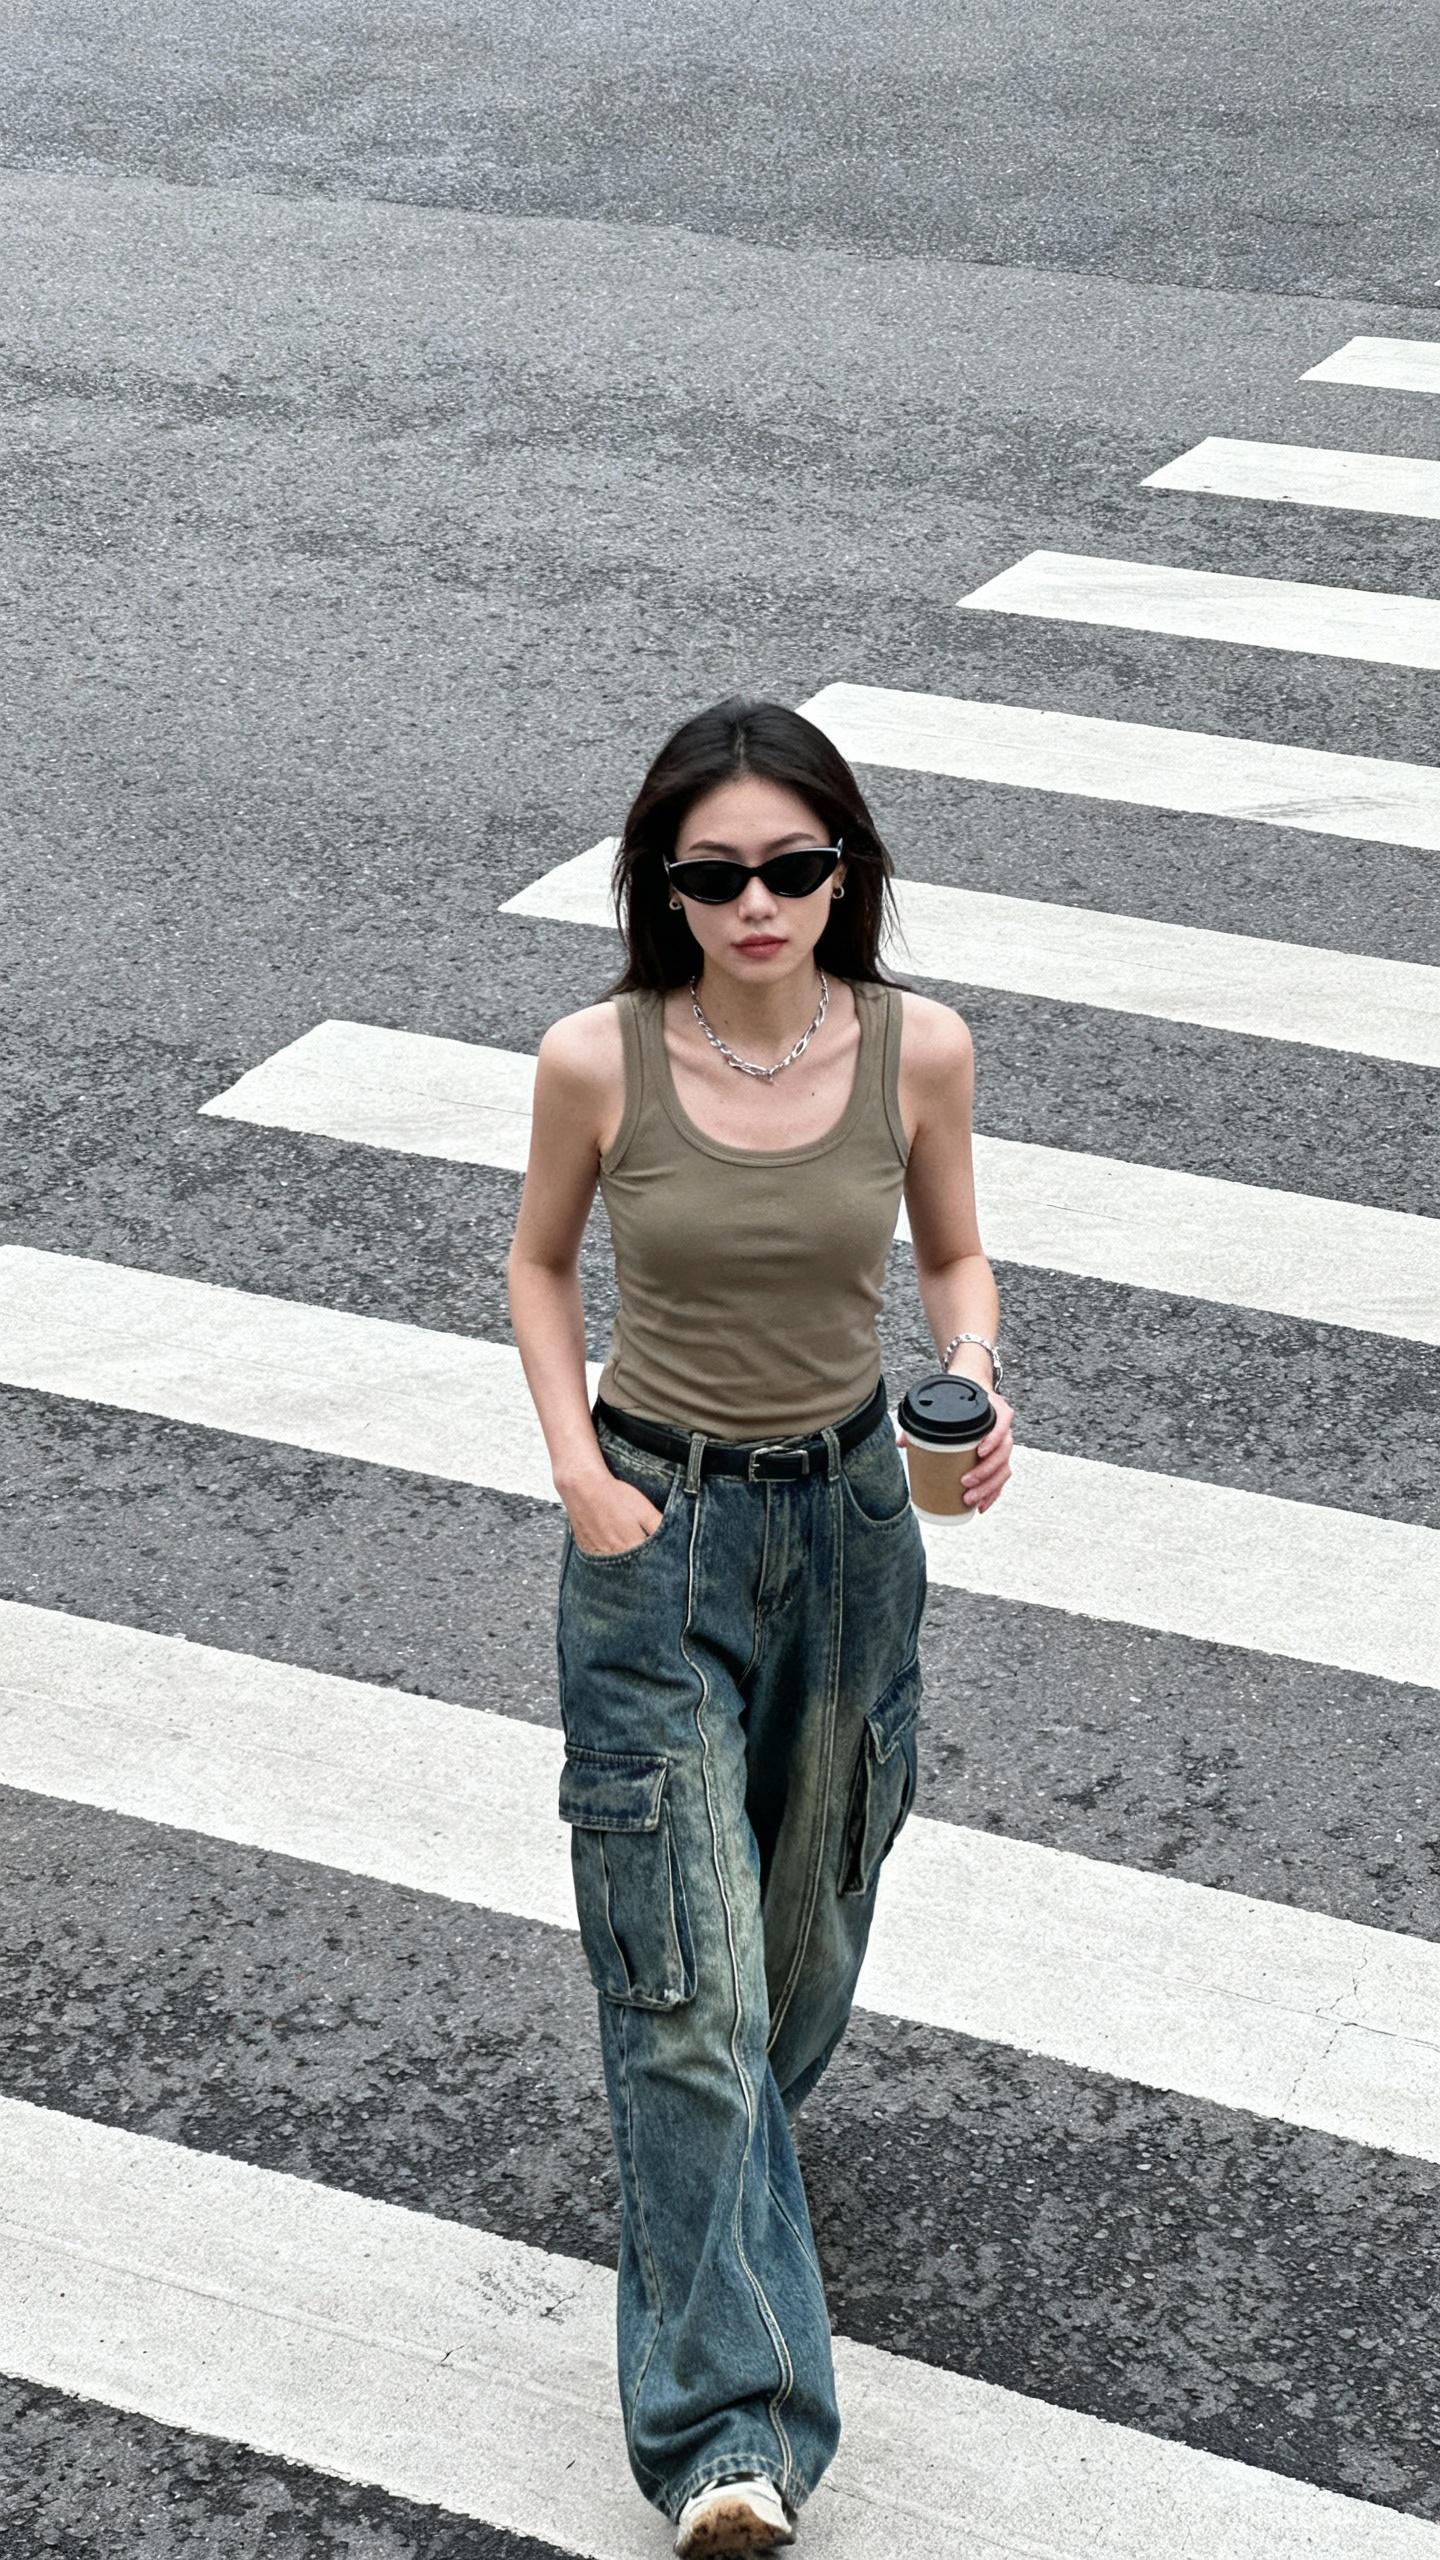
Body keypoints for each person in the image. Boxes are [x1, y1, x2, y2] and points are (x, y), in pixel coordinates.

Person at [506, 695, 1013, 2555]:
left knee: (806, 1935)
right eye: (715, 875)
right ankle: (732, 2432)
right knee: (687, 1977)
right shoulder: (598, 1062)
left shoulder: (918, 1052)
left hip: (856, 1519)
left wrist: (967, 1375)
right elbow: (541, 1262)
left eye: (795, 867)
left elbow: (953, 1253)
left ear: (845, 872)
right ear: (665, 887)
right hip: (661, 1526)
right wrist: (576, 1465)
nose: (759, 902)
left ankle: (716, 2170)